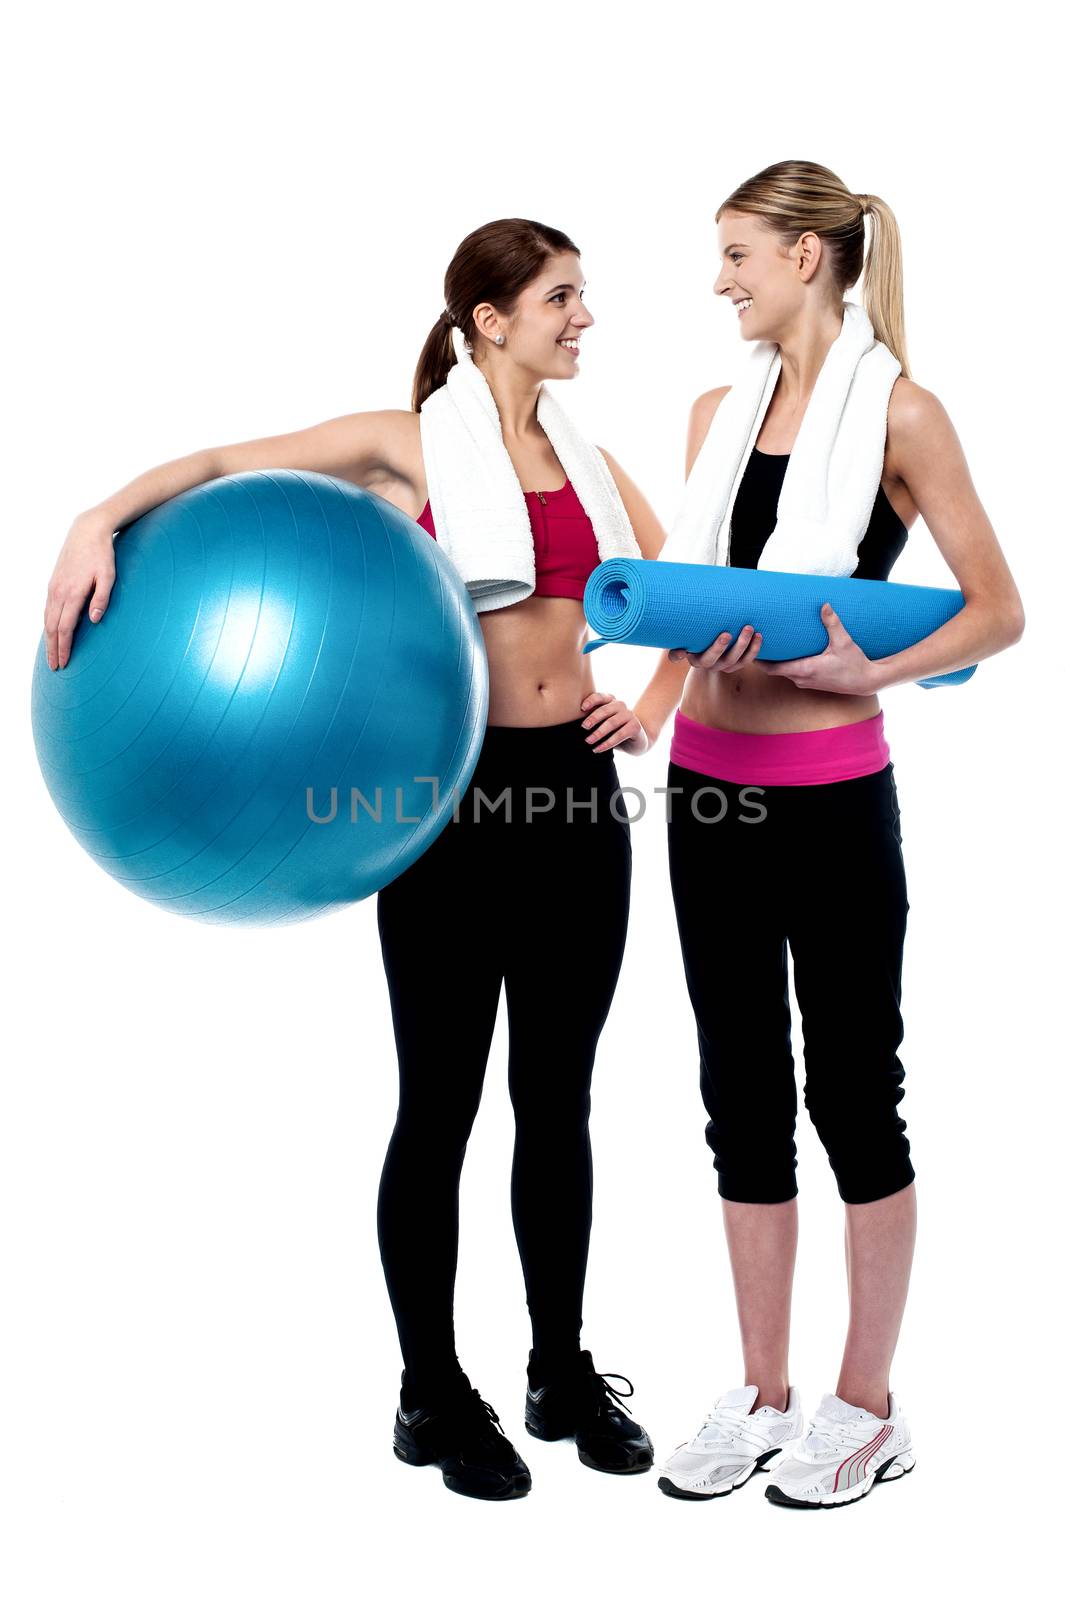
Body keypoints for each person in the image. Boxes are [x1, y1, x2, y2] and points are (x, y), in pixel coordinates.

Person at [42, 217, 664, 1502]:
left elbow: (685, 585)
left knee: (559, 1103)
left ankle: (558, 1370)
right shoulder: (404, 441)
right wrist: (95, 517)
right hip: (442, 805)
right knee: (439, 1104)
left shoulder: (589, 459)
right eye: (562, 298)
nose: (584, 319)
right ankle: (430, 1392)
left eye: (583, 298)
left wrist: (649, 702)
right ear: (490, 319)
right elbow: (221, 460)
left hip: (576, 802)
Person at [625, 161, 1025, 1509]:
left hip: (833, 795)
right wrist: (650, 701)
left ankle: (866, 1406)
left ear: (808, 257)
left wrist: (874, 672)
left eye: (737, 252)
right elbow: (699, 603)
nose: (721, 278)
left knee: (853, 1096)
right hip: (709, 793)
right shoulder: (707, 416)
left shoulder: (904, 413)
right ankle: (759, 1392)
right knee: (737, 1098)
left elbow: (997, 610)